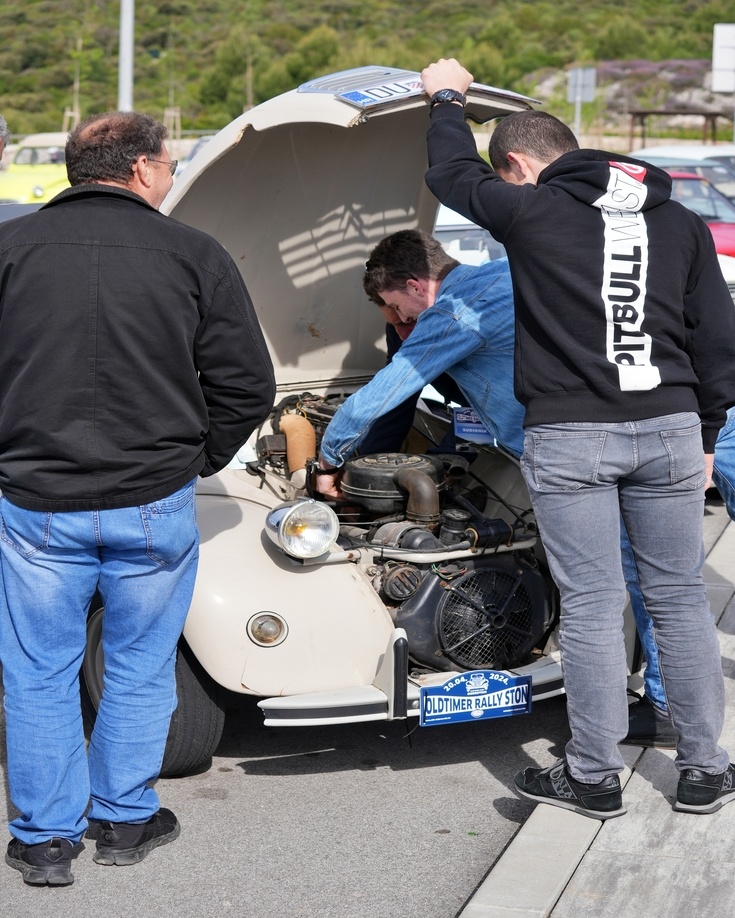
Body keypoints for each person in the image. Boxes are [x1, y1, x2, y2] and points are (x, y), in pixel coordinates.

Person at [421, 58, 735, 820]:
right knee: (680, 603)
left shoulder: (533, 213)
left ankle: (591, 777)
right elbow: (718, 342)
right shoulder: (678, 220)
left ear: (522, 166)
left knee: (593, 607)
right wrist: (703, 432)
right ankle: (703, 769)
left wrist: (445, 97)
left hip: (571, 437)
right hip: (666, 429)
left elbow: (449, 171)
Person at [0, 111, 275, 886]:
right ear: (146, 168)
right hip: (152, 497)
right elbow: (246, 383)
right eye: (171, 162)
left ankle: (46, 841)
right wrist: (193, 460)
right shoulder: (193, 252)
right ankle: (122, 821)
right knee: (140, 665)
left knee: (38, 670)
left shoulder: (10, 248)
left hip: (34, 499)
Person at [313, 229, 525, 495]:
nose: (405, 332)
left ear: (415, 287)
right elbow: (398, 405)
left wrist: (328, 464)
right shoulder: (508, 271)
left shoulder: (452, 316)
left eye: (405, 316)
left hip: (544, 438)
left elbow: (383, 393)